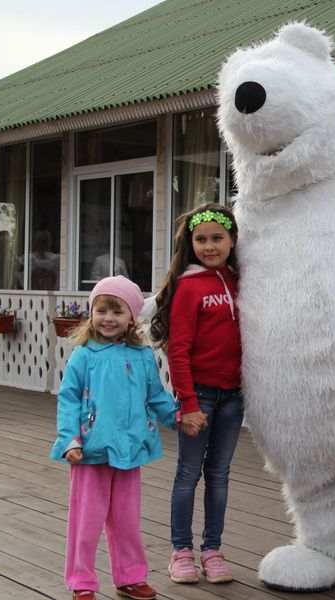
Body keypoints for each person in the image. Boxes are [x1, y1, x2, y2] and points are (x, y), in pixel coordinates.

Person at [50, 276, 179, 600]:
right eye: (101, 310)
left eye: (117, 311)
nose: (108, 318)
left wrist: (177, 417)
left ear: (132, 317)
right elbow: (68, 399)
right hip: (90, 451)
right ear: (91, 312)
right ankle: (81, 581)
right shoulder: (85, 354)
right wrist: (70, 440)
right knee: (86, 521)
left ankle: (130, 576)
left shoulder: (143, 356)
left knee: (126, 520)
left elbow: (157, 396)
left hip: (129, 449)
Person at [150, 203, 244, 585]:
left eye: (217, 238)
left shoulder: (239, 281)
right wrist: (187, 404)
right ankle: (181, 551)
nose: (209, 246)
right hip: (199, 397)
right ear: (190, 244)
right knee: (187, 474)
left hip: (233, 397)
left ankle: (213, 550)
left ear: (232, 240)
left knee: (219, 475)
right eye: (201, 239)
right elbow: (179, 350)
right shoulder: (189, 286)